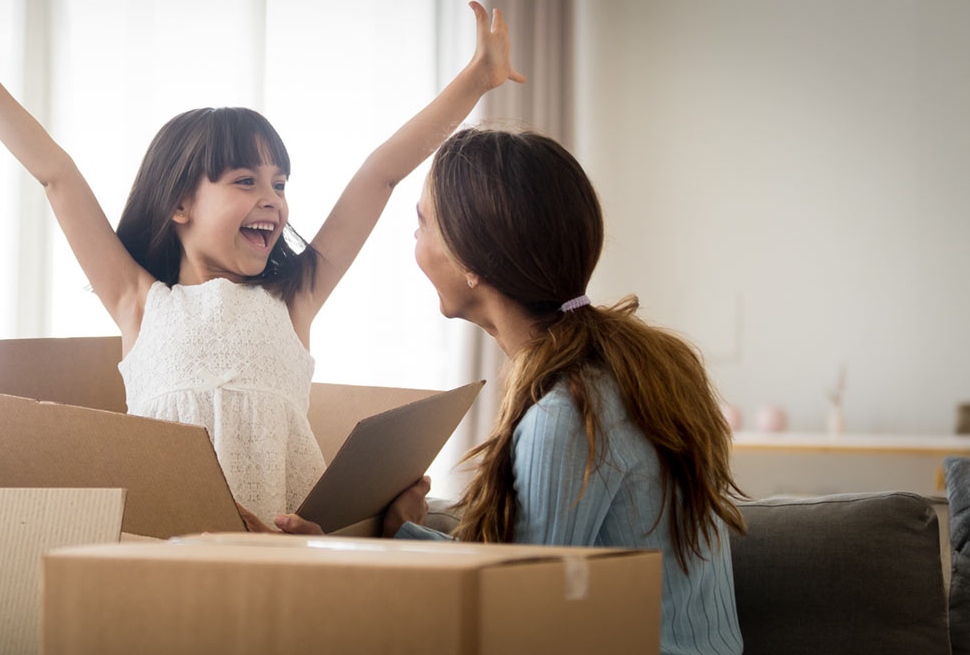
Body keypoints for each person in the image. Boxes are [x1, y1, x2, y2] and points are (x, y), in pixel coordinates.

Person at [0, 0, 523, 522]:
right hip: (173, 550)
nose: (272, 199)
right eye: (245, 181)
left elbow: (380, 175)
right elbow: (57, 175)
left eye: (279, 183)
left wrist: (476, 79)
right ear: (180, 204)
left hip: (284, 552)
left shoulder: (295, 299)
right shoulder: (138, 303)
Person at [271, 129, 747, 655]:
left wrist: (345, 561)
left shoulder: (567, 413)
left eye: (422, 224)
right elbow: (533, 573)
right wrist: (402, 534)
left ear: (472, 261)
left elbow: (521, 619)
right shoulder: (624, 373)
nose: (415, 243)